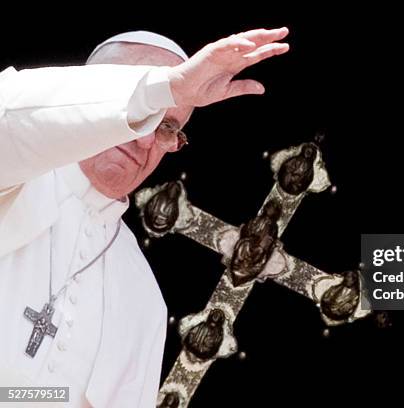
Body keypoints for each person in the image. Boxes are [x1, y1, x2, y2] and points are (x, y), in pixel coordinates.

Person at [0, 27, 289, 407]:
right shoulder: (14, 177)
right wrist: (165, 86)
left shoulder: (144, 297)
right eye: (142, 113)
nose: (145, 139)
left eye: (167, 125)